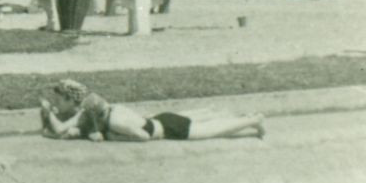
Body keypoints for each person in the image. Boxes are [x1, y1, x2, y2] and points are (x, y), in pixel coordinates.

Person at [40, 79, 264, 142]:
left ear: (72, 101)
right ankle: (243, 117)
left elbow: (143, 137)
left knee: (215, 131)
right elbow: (61, 131)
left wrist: (112, 137)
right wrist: (48, 114)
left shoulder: (115, 122)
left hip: (167, 128)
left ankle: (253, 121)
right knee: (207, 122)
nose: (57, 104)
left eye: (59, 100)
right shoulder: (102, 111)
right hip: (159, 120)